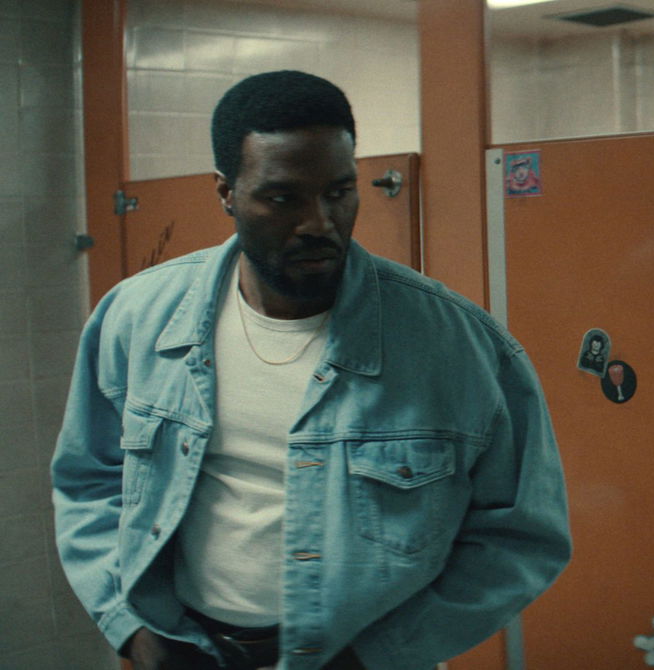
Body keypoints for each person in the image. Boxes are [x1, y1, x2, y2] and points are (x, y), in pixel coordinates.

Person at [52, 70, 572, 670]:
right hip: (189, 649)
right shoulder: (138, 319)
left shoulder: (457, 347)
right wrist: (132, 631)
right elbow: (89, 481)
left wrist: (379, 655)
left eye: (338, 192)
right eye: (283, 199)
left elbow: (520, 537)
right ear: (226, 193)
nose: (319, 223)